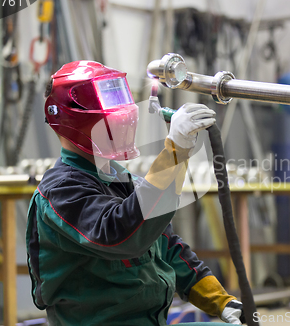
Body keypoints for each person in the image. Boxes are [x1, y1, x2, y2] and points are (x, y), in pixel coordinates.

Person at [26, 61, 244, 325]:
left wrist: (221, 301)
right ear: (75, 117)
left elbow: (168, 247)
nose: (122, 116)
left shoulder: (121, 179)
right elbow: (122, 234)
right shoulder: (61, 191)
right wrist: (174, 153)